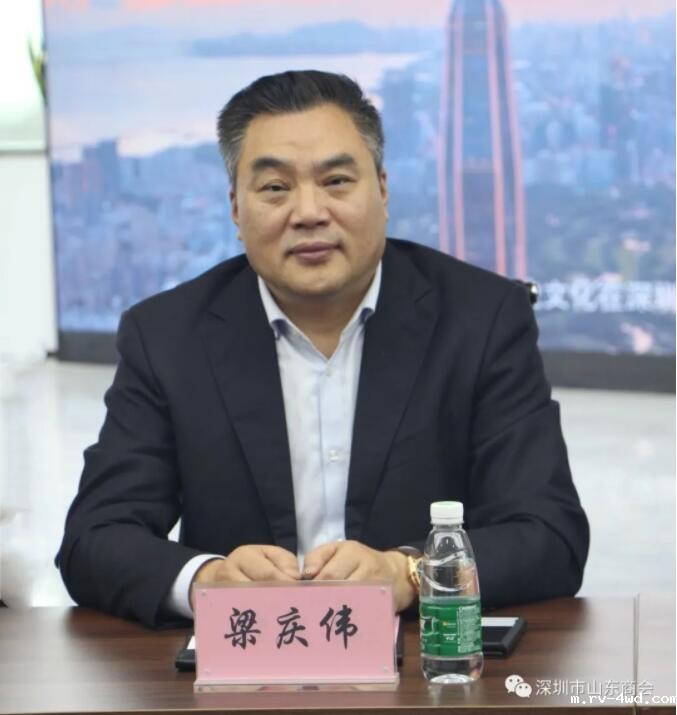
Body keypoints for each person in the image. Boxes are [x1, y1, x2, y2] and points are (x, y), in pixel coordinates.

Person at [57, 70, 589, 628]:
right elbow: (95, 539)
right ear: (236, 209)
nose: (309, 212)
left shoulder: (481, 319)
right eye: (275, 188)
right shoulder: (167, 336)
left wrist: (410, 573)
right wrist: (205, 581)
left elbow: (549, 535)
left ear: (382, 189)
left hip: (425, 661)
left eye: (336, 181)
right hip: (247, 662)